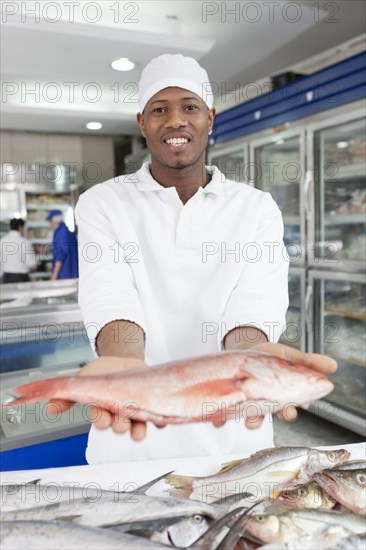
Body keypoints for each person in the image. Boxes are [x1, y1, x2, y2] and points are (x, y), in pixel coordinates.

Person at [49, 54, 337, 464]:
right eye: (159, 110)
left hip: (236, 433)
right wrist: (124, 367)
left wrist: (252, 367)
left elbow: (254, 302)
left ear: (210, 118)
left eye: (189, 107)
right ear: (142, 123)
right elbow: (110, 292)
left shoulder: (255, 208)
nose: (175, 121)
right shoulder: (104, 202)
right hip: (130, 431)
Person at [0, 218, 37, 283]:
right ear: (20, 227)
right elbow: (31, 263)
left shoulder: (2, 241)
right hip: (21, 278)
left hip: (6, 277)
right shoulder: (25, 242)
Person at [46, 209, 79, 280]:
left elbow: (60, 255)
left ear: (55, 221)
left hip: (64, 273)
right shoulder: (66, 231)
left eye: (50, 221)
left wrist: (54, 275)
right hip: (73, 272)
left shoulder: (60, 233)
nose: (50, 224)